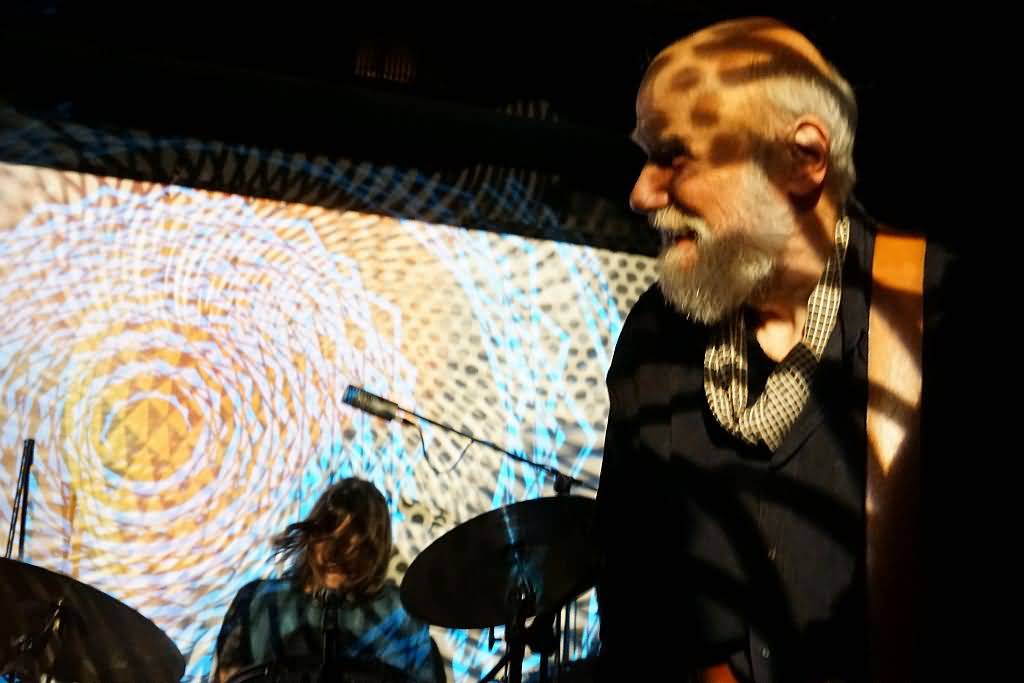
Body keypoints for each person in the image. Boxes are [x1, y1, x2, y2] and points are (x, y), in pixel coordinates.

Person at [593, 16, 955, 683]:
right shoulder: (654, 337)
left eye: (673, 154)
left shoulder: (937, 315)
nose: (641, 193)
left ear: (803, 159)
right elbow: (631, 606)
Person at [214, 477, 445, 683]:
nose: (335, 553)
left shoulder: (400, 614)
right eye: (328, 535)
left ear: (376, 549)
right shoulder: (258, 600)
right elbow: (227, 674)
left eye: (353, 543)